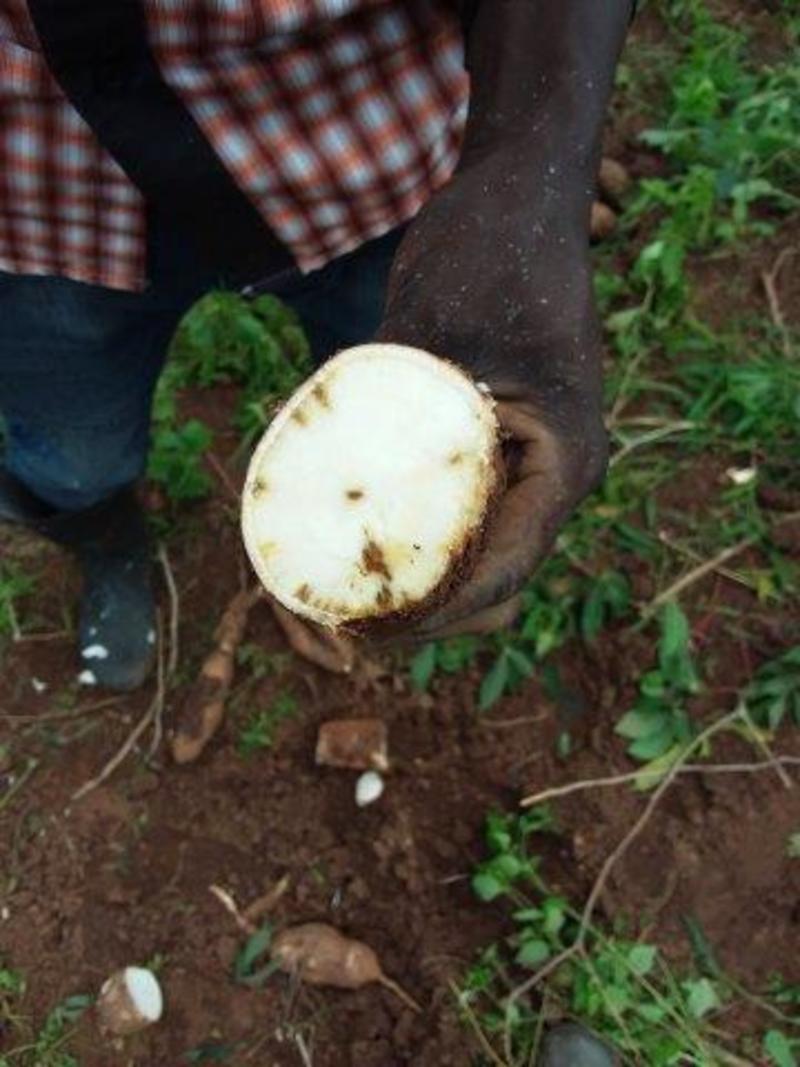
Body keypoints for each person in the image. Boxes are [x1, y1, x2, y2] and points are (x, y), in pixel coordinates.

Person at [1, 3, 632, 1060]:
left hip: (350, 140)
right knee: (70, 457)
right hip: (32, 205)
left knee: (395, 430)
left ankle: (335, 572)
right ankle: (105, 540)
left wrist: (531, 166)